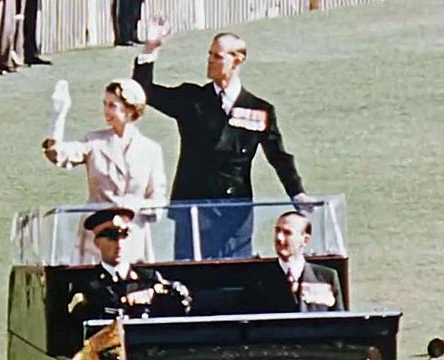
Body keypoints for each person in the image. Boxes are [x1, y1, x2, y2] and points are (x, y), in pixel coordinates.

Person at [132, 18, 315, 260]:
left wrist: (297, 194)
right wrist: (150, 49)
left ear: (237, 60)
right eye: (210, 54)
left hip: (234, 213)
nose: (210, 61)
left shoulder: (259, 109)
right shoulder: (192, 99)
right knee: (191, 280)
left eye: (217, 56)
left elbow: (278, 157)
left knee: (234, 279)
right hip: (193, 209)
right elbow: (141, 93)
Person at [42, 78, 166, 264]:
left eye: (112, 105)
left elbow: (158, 201)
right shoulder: (94, 142)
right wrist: (58, 118)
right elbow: (58, 155)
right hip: (96, 237)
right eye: (105, 104)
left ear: (130, 109)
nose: (106, 111)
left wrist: (134, 205)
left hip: (132, 238)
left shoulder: (151, 150)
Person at [68, 207, 191, 359]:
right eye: (112, 237)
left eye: (124, 235)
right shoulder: (86, 284)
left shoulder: (148, 278)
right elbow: (75, 328)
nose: (119, 244)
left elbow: (183, 303)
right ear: (97, 242)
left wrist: (155, 292)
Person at [253, 211, 344, 313]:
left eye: (287, 233)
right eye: (277, 231)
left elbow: (340, 323)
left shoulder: (326, 277)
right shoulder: (259, 280)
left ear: (305, 240)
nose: (279, 238)